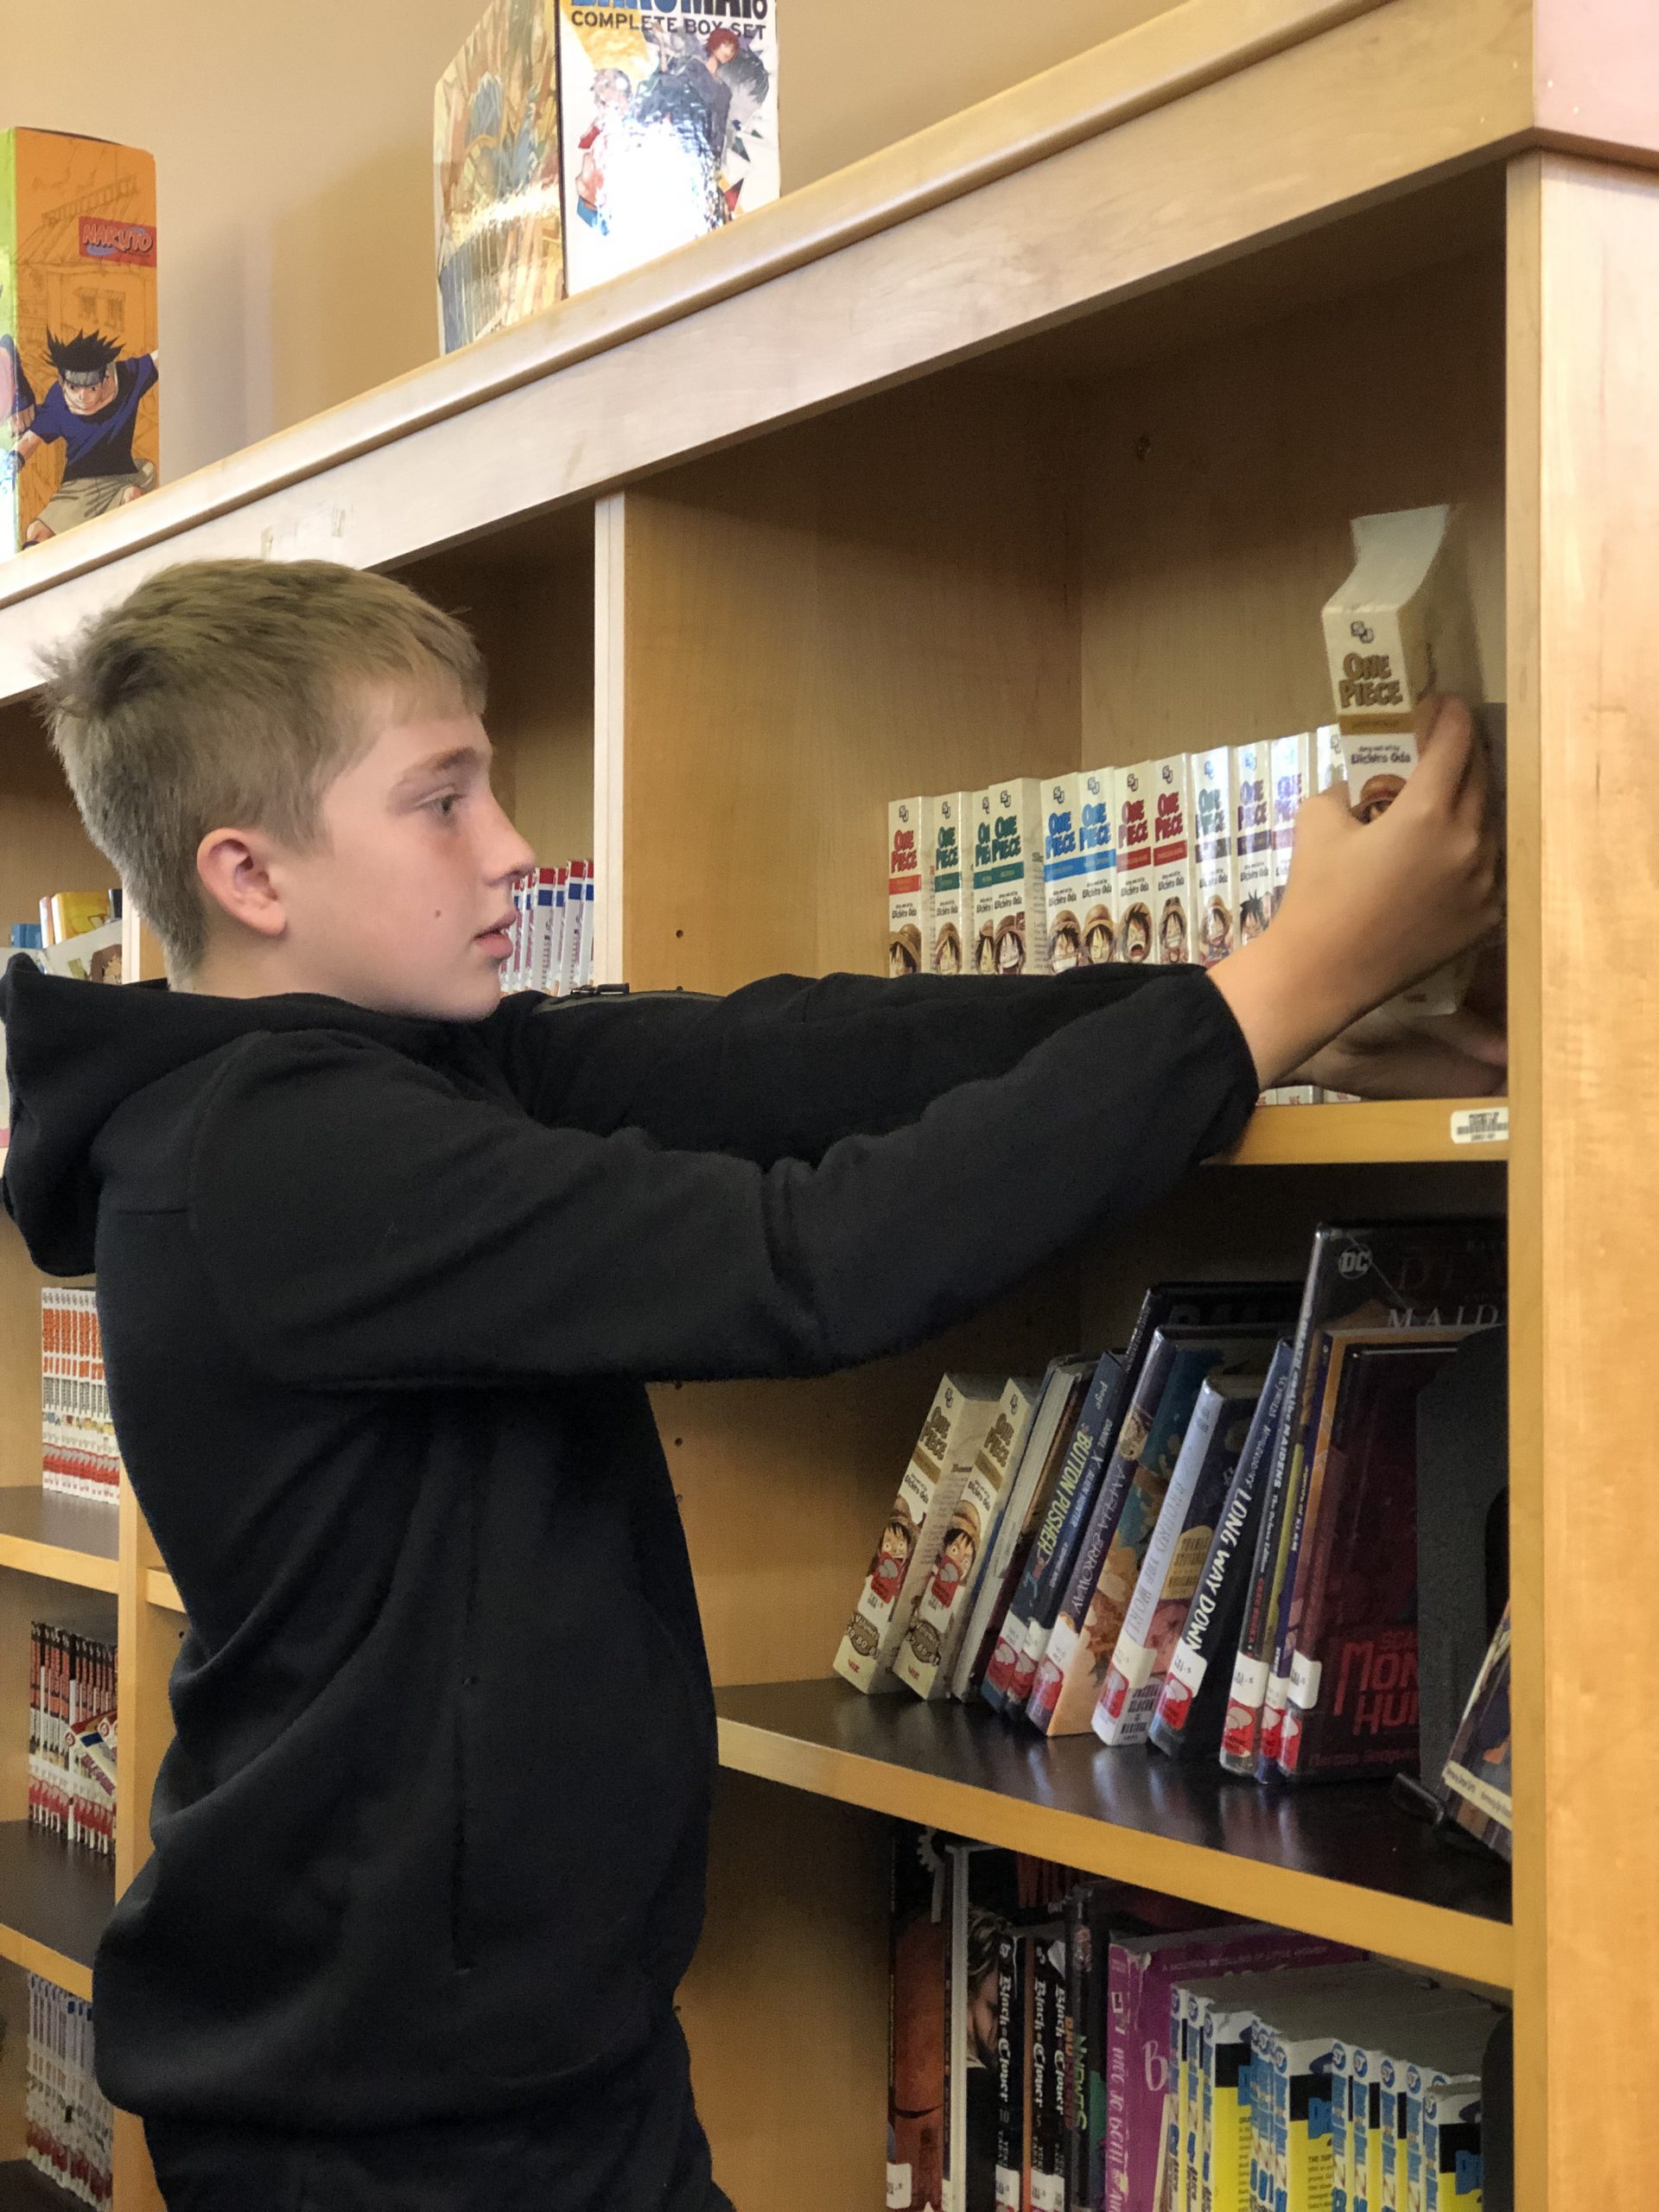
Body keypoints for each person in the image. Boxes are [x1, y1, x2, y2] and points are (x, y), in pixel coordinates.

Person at [0, 560, 1501, 2211]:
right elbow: (814, 1263)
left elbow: (797, 1054)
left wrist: (1269, 1010)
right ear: (249, 873)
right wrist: (1273, 989)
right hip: (392, 2117)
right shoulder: (276, 1157)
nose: (509, 845)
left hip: (520, 2058)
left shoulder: (410, 1069)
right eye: (441, 799)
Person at [3, 329, 159, 543]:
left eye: (91, 388)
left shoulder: (127, 378)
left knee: (133, 497)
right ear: (62, 382)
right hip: (76, 488)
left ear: (104, 381)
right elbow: (30, 440)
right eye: (74, 388)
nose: (82, 396)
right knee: (36, 533)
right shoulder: (58, 400)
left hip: (121, 480)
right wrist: (11, 466)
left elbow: (160, 358)